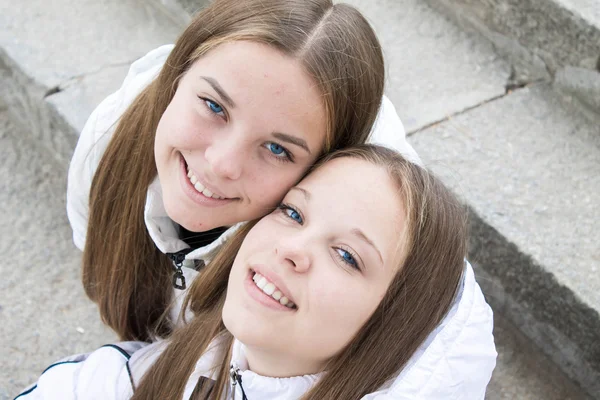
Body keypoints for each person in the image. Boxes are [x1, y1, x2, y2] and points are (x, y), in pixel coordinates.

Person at [66, 0, 421, 342]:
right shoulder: (113, 132)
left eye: (277, 149)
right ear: (179, 71)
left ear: (322, 168)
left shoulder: (367, 238)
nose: (222, 164)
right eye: (213, 106)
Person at [18, 146, 496, 399]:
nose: (293, 249)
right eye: (293, 213)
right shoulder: (204, 355)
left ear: (396, 320)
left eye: (348, 256)